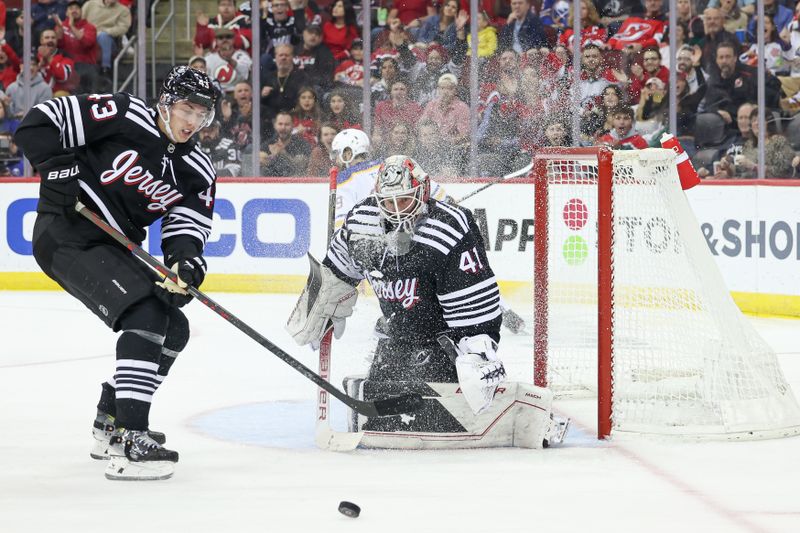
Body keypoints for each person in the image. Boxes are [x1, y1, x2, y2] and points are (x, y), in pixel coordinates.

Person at [13, 66, 219, 481]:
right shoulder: (124, 115)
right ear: (166, 102)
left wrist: (186, 263)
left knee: (173, 327)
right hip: (66, 230)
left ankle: (110, 420)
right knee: (143, 315)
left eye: (203, 114)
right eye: (187, 109)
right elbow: (37, 123)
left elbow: (185, 229)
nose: (192, 122)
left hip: (112, 243)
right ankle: (131, 436)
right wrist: (56, 167)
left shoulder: (198, 170)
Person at [286, 155, 565, 445]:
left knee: (445, 390)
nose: (395, 211)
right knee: (384, 397)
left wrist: (477, 351)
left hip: (443, 338)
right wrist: (322, 303)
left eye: (404, 200)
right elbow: (335, 275)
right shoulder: (361, 222)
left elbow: (476, 301)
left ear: (422, 193)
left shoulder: (450, 227)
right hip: (397, 331)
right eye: (387, 202)